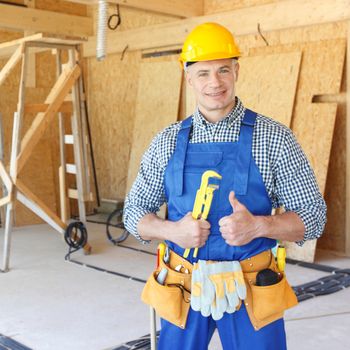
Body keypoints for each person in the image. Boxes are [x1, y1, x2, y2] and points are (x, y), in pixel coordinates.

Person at [124, 22, 326, 350]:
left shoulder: (275, 138)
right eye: (203, 73)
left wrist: (260, 226)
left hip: (253, 285)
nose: (214, 82)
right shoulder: (166, 142)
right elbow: (134, 213)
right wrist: (173, 231)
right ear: (188, 77)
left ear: (237, 71)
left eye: (223, 70)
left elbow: (313, 217)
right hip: (183, 285)